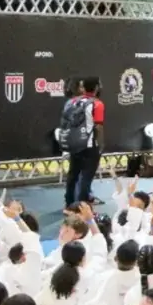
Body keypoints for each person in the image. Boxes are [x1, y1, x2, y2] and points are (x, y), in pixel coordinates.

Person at [61, 77, 105, 208]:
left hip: (74, 144)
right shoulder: (97, 104)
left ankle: (69, 203)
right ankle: (82, 206)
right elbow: (98, 126)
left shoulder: (71, 102)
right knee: (86, 176)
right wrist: (101, 144)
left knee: (73, 174)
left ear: (82, 88)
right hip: (90, 146)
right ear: (96, 88)